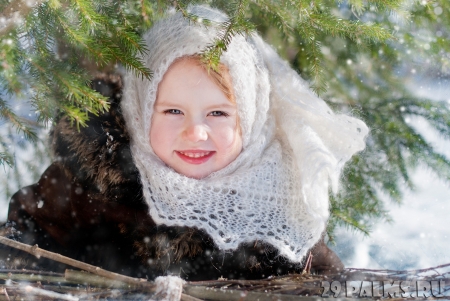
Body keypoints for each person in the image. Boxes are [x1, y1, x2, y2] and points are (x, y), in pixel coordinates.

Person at [1, 6, 368, 280]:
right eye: (173, 111)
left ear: (251, 120)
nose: (195, 132)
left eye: (218, 114)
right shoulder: (100, 178)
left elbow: (318, 278)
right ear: (142, 112)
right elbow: (25, 234)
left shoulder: (275, 200)